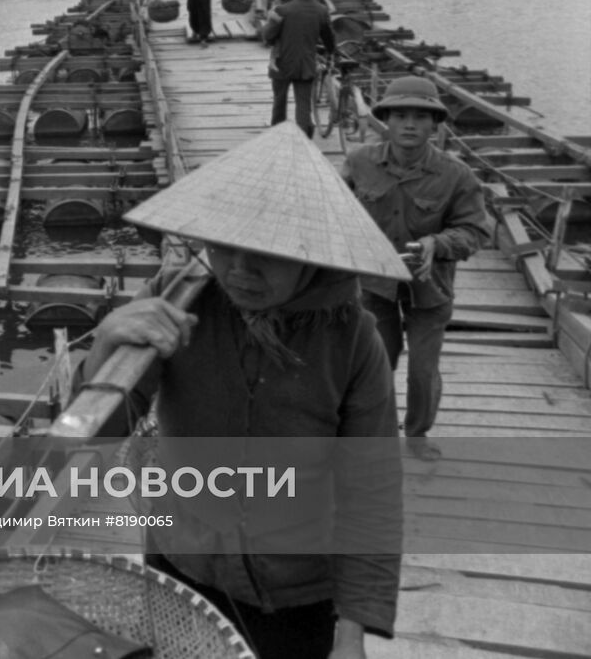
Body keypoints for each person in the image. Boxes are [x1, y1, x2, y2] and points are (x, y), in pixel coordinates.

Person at [84, 122, 405, 659]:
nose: (238, 270)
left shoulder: (352, 339)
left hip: (296, 588)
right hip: (182, 565)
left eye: (265, 253)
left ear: (310, 252)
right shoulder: (177, 300)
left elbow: (370, 488)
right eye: (223, 247)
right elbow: (105, 429)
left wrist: (352, 631)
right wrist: (106, 343)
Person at [343, 76, 492, 461]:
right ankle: (372, 435)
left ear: (435, 124)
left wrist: (437, 243)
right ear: (386, 120)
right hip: (374, 286)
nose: (410, 125)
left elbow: (476, 230)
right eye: (400, 116)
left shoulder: (456, 175)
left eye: (420, 117)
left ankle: (417, 436)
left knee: (423, 371)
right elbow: (335, 211)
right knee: (376, 363)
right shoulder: (360, 162)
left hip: (430, 289)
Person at [261, 0, 335, 138]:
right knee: (303, 106)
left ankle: (277, 135)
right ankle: (304, 138)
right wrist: (331, 52)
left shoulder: (283, 10)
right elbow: (328, 38)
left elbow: (268, 35)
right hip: (305, 64)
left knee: (279, 102)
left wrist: (270, 25)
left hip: (281, 63)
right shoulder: (321, 11)